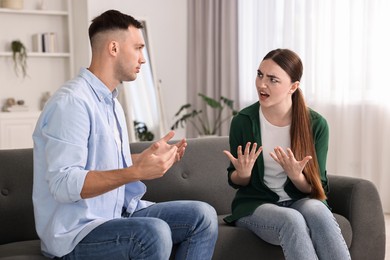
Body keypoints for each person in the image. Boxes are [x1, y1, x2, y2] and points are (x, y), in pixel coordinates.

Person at [32, 10, 218, 260]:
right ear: (113, 48)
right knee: (154, 233)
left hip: (116, 214)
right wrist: (136, 172)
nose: (143, 58)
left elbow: (101, 161)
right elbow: (63, 183)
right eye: (138, 48)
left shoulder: (111, 102)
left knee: (203, 217)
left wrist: (142, 159)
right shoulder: (72, 103)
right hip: (76, 233)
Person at [223, 48, 350, 260]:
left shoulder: (315, 124)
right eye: (260, 74)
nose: (262, 84)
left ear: (293, 86)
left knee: (318, 210)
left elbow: (318, 187)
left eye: (273, 79)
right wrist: (243, 173)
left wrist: (296, 176)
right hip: (255, 205)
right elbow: (235, 179)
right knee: (291, 219)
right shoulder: (243, 121)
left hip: (299, 198)